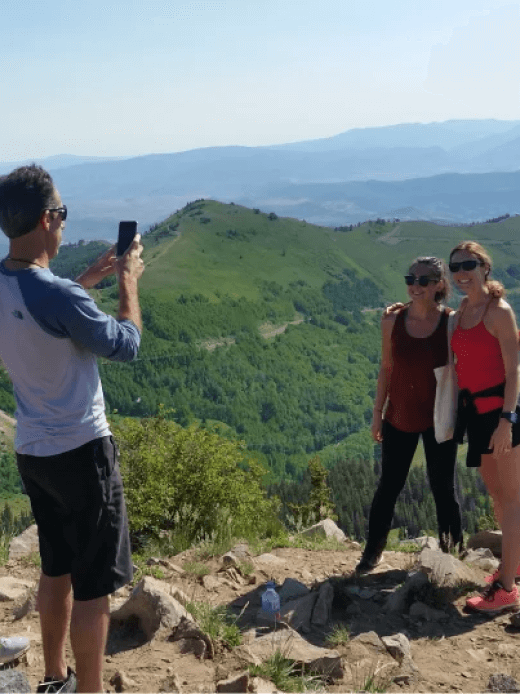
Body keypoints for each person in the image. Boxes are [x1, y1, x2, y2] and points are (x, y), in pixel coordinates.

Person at [0, 164, 144, 692]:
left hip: (34, 452)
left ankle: (55, 677)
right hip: (82, 451)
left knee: (55, 567)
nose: (63, 224)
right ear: (44, 219)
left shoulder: (11, 284)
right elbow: (126, 344)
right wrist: (128, 281)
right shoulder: (61, 297)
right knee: (93, 589)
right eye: (60, 214)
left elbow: (36, 318)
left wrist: (84, 283)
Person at [355, 256, 463, 574]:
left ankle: (452, 557)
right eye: (411, 279)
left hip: (439, 418)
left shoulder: (451, 322)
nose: (415, 286)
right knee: (388, 486)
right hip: (398, 415)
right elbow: (386, 368)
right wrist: (377, 414)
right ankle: (372, 553)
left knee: (444, 489)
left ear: (439, 285)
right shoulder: (391, 321)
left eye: (424, 281)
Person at [449, 241, 520, 614]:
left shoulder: (499, 311)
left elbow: (513, 371)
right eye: (455, 267)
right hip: (476, 414)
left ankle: (507, 590)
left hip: (500, 415)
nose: (461, 273)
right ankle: (513, 566)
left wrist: (507, 421)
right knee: (496, 494)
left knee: (512, 499)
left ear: (484, 268)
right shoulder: (462, 309)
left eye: (468, 265)